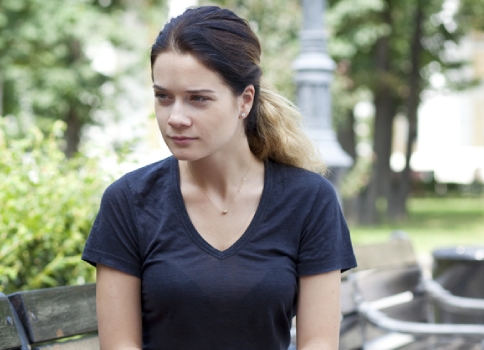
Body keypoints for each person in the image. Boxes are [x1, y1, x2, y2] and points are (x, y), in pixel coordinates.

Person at [82, 5, 357, 350]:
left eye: (198, 99)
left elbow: (318, 343)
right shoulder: (128, 201)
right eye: (163, 97)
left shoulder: (310, 200)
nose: (175, 117)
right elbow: (120, 345)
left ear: (244, 100)